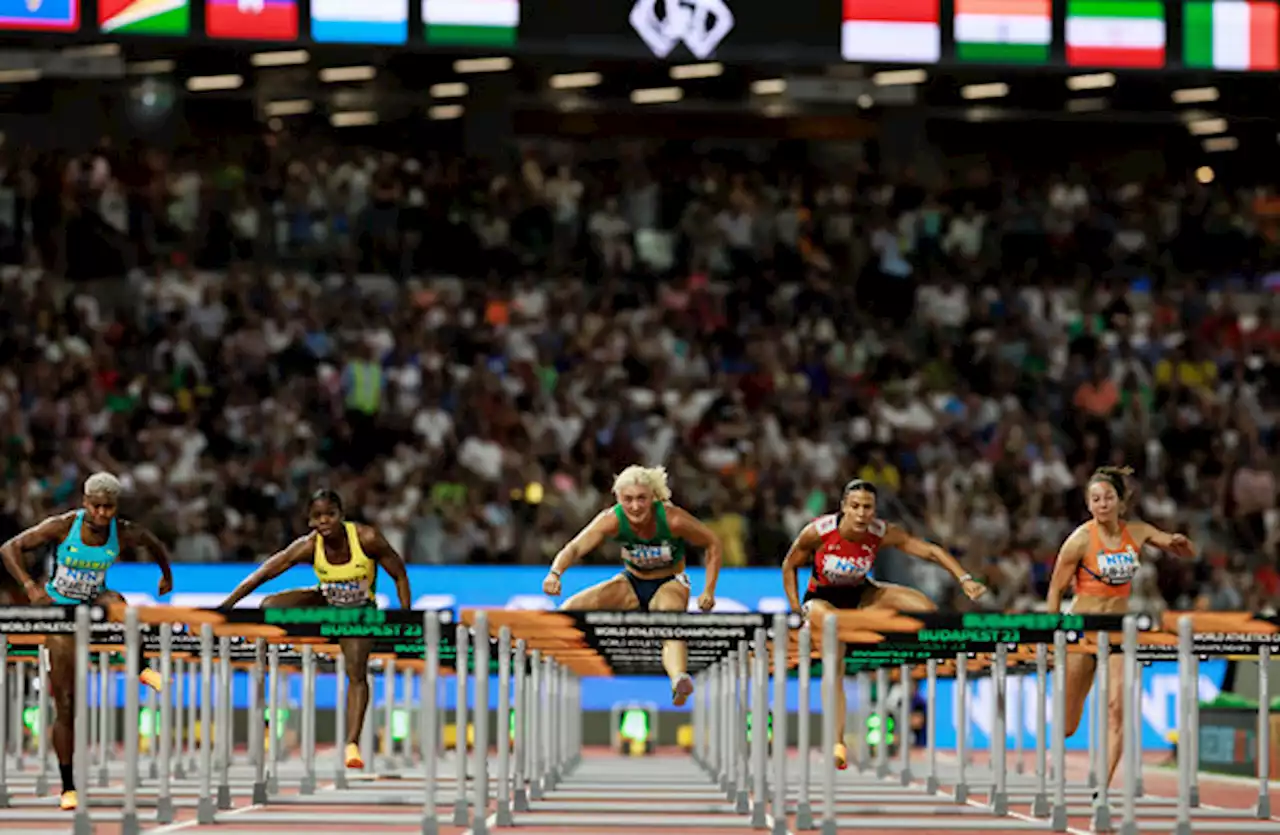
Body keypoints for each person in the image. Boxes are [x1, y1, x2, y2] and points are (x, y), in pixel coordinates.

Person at [781, 479, 988, 770]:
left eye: (868, 507)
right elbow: (789, 565)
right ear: (844, 508)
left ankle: (920, 661)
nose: (862, 513)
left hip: (864, 595)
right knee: (832, 645)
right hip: (822, 600)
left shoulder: (881, 532)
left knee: (923, 606)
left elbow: (929, 551)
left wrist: (964, 578)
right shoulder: (819, 531)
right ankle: (837, 741)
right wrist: (795, 611)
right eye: (855, 507)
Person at [0, 472, 174, 811]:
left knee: (123, 607)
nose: (102, 515)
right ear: (85, 503)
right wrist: (30, 586)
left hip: (95, 599)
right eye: (96, 507)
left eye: (109, 508)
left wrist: (166, 576)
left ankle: (140, 667)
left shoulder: (121, 531)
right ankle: (68, 786)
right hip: (60, 608)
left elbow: (154, 544)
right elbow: (9, 548)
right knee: (65, 703)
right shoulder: (63, 526)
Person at [217, 489, 413, 770]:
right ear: (310, 521)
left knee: (356, 671)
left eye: (330, 515)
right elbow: (264, 573)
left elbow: (400, 575)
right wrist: (226, 606)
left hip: (359, 612)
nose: (325, 522)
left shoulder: (367, 539)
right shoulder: (309, 545)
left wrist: (406, 619)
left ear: (341, 516)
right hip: (325, 602)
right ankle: (268, 694)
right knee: (269, 604)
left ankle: (351, 744)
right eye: (318, 517)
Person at [1045, 465, 1196, 797]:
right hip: (1082, 631)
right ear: (1088, 505)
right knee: (1068, 724)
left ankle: (1102, 785)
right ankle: (1055, 768)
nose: (1102, 504)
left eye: (1108, 497)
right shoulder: (1079, 540)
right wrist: (1052, 636)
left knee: (1118, 709)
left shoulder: (1137, 532)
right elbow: (1055, 591)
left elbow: (1170, 542)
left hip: (1119, 633)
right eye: (1095, 499)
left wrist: (1178, 544)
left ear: (1121, 502)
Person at [541, 465, 721, 707]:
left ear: (653, 498)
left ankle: (679, 679)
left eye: (641, 499)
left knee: (669, 620)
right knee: (571, 609)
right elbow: (575, 547)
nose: (635, 506)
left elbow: (712, 543)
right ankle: (548, 659)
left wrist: (709, 589)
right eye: (628, 499)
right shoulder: (612, 519)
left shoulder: (673, 519)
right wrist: (555, 573)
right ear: (618, 498)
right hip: (631, 581)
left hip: (670, 582)